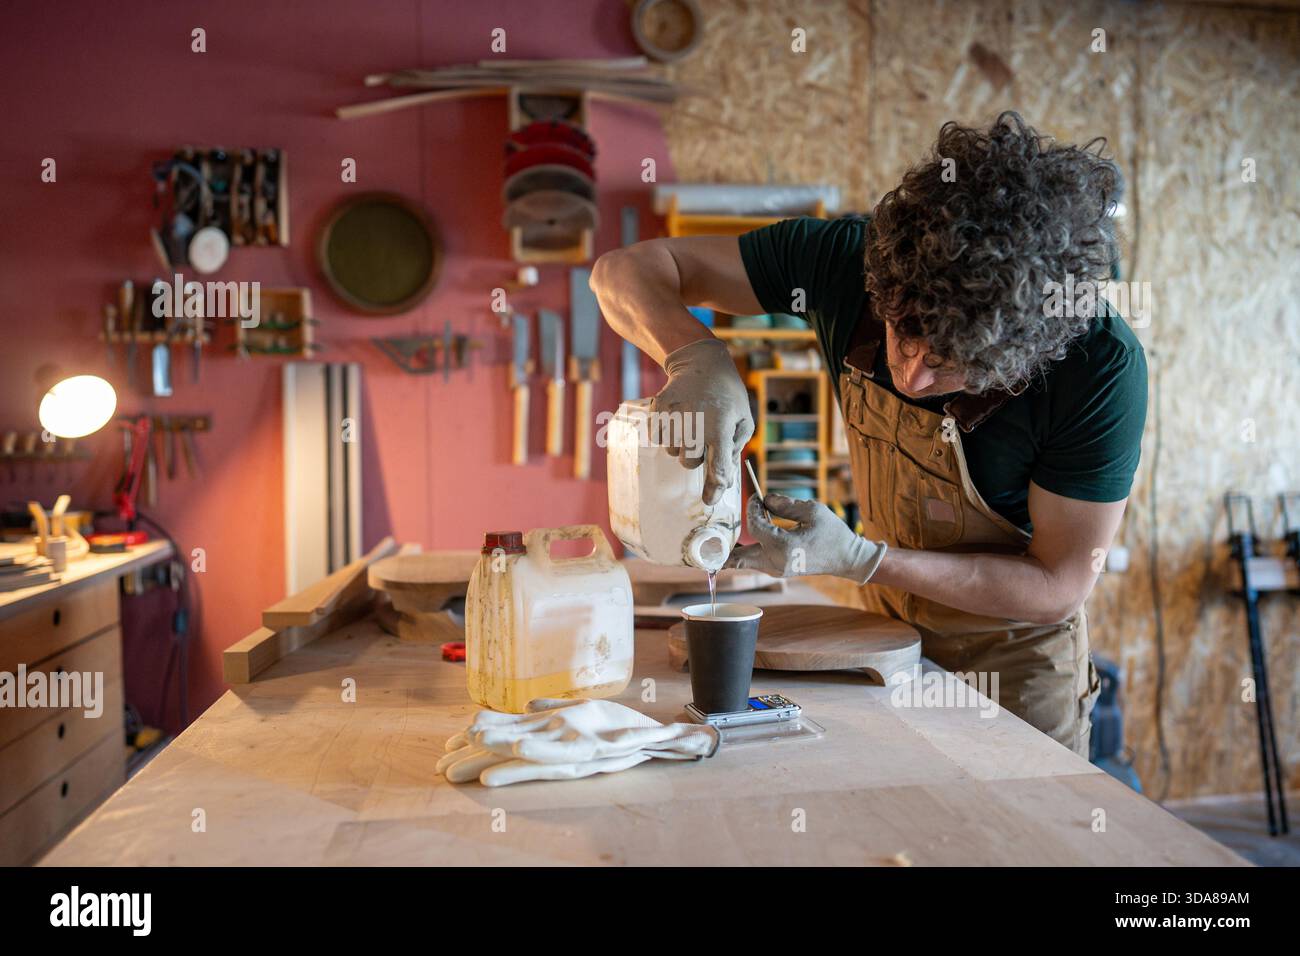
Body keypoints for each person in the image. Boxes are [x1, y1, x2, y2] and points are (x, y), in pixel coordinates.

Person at [591, 113, 1147, 756]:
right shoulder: (842, 260)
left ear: (1024, 354)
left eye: (950, 364)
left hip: (1015, 664)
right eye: (903, 333)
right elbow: (624, 270)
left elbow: (1058, 585)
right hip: (884, 638)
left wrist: (863, 561)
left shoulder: (1096, 364)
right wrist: (696, 357)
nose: (911, 374)